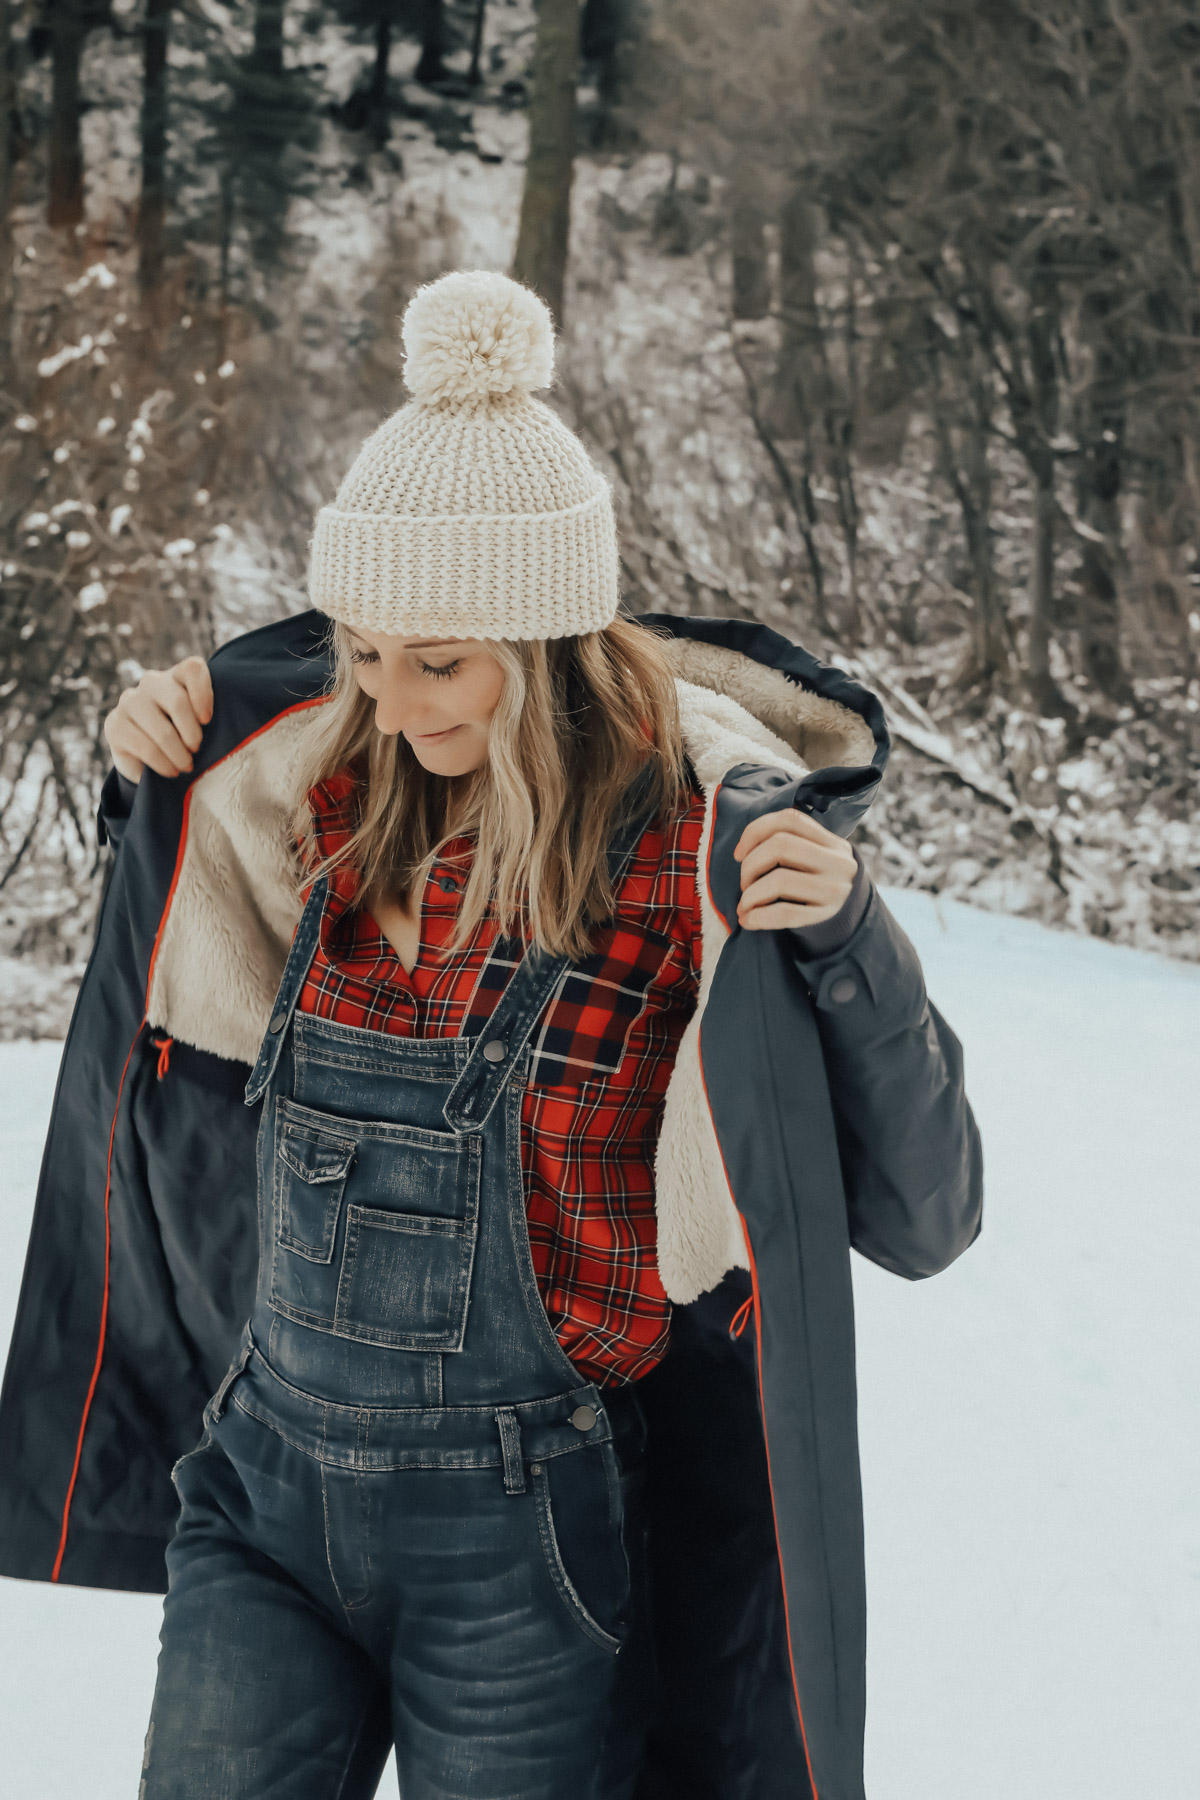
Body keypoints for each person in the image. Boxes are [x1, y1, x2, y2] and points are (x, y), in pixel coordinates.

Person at [0, 271, 983, 1800]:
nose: (392, 705)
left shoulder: (690, 859)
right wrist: (158, 792)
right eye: (367, 655)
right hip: (261, 1493)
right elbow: (182, 1018)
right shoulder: (326, 802)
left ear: (548, 639)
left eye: (437, 662)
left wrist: (850, 940)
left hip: (522, 1541)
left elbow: (931, 1212)